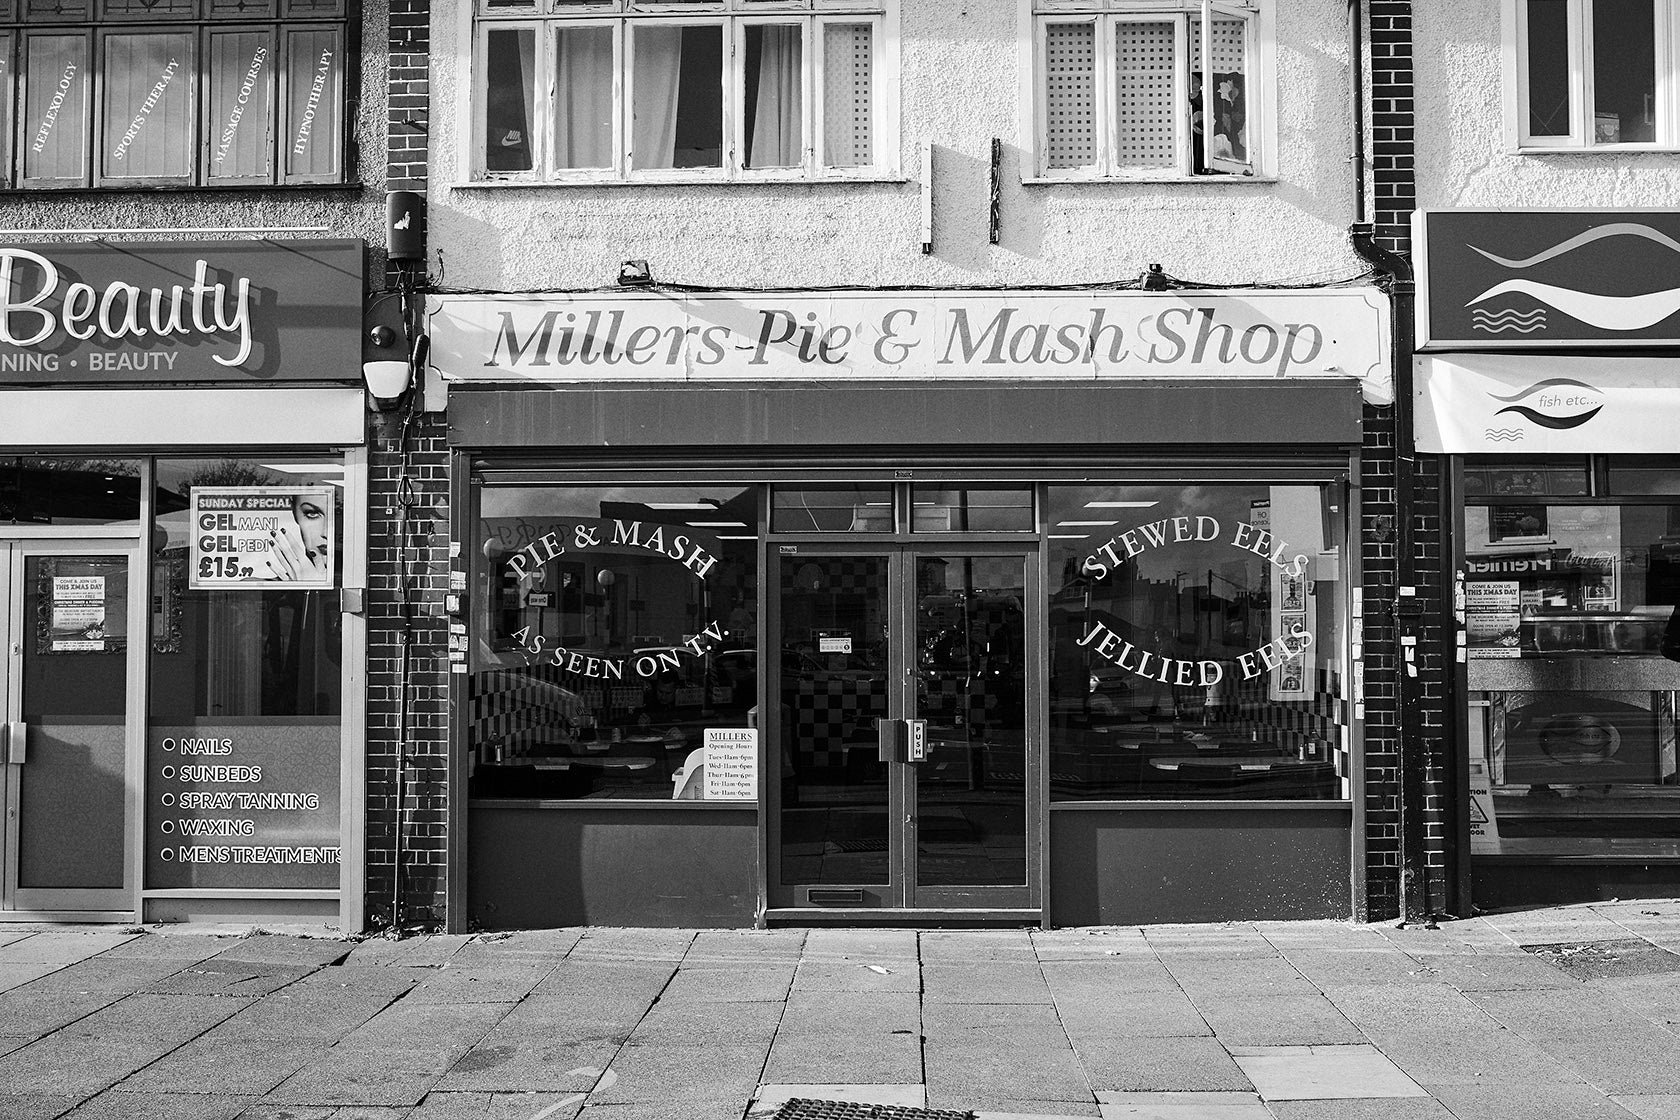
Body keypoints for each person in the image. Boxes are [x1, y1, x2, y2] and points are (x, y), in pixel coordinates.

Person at [266, 492, 332, 582]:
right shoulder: (257, 590)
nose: (326, 533)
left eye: (339, 514)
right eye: (312, 514)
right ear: (294, 512)